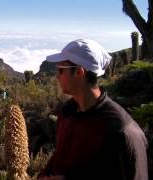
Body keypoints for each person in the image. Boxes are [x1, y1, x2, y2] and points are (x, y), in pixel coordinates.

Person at [38, 39, 148, 180]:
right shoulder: (67, 113)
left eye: (61, 70)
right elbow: (60, 157)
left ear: (79, 72)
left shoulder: (123, 132)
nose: (57, 76)